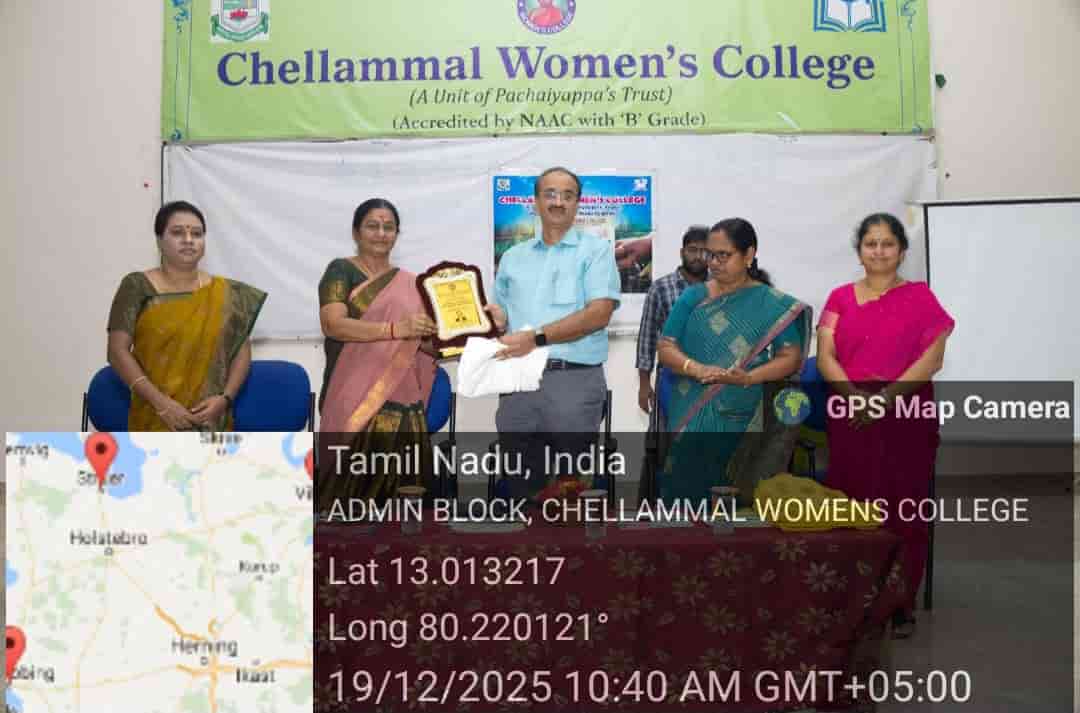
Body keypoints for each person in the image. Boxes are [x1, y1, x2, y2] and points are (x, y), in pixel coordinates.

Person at [816, 212, 954, 639]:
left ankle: (899, 604)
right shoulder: (839, 298)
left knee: (904, 506)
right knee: (851, 503)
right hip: (850, 410)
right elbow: (826, 356)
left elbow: (933, 359)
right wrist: (855, 397)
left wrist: (886, 399)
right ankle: (852, 601)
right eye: (870, 243)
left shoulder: (920, 298)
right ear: (859, 251)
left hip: (906, 410)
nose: (878, 251)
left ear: (902, 251)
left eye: (887, 243)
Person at [485, 167, 621, 498]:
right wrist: (496, 322)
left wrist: (535, 338)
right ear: (535, 202)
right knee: (521, 485)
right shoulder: (512, 258)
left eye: (567, 195)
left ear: (577, 204)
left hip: (572, 382)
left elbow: (599, 314)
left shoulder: (596, 251)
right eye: (550, 194)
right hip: (519, 384)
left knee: (568, 489)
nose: (558, 202)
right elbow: (501, 319)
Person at [657, 218, 811, 504]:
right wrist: (696, 368)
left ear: (749, 254)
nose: (713, 263)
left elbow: (790, 357)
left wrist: (750, 377)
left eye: (723, 255)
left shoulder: (770, 303)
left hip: (745, 415)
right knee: (685, 495)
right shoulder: (694, 296)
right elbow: (666, 347)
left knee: (735, 499)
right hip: (691, 410)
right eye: (710, 255)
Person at [315, 198, 438, 514]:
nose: (381, 233)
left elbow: (427, 344)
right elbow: (333, 324)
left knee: (405, 502)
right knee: (348, 501)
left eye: (389, 227)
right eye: (372, 226)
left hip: (403, 399)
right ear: (356, 232)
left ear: (397, 234)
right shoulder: (341, 270)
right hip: (351, 394)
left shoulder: (411, 283)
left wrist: (476, 327)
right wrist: (396, 329)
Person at [107, 201, 266, 431]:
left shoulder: (227, 294)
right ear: (159, 240)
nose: (189, 239)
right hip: (155, 417)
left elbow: (241, 350)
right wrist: (161, 404)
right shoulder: (137, 286)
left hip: (212, 421)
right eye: (177, 232)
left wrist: (225, 399)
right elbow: (117, 351)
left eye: (197, 234)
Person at [635, 226, 709, 414]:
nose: (698, 256)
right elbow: (647, 339)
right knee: (669, 429)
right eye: (692, 250)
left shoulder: (719, 287)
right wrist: (644, 384)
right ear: (682, 253)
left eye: (704, 251)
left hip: (710, 376)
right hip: (672, 376)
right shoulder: (661, 288)